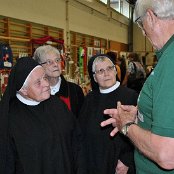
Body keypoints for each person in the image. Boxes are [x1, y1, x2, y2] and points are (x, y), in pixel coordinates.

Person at [101, 0, 174, 173]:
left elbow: (167, 155)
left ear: (150, 16)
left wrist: (126, 125)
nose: (142, 32)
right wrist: (143, 114)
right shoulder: (167, 55)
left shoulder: (171, 60)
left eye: (141, 24)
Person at [0, 57, 86, 174]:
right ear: (23, 90)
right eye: (38, 82)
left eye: (45, 77)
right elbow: (6, 163)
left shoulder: (57, 104)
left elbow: (77, 140)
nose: (46, 84)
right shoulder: (10, 119)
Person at [79, 54, 138, 174]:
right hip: (92, 161)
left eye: (110, 68)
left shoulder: (132, 96)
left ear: (116, 71)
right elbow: (81, 129)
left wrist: (127, 160)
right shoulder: (89, 98)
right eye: (100, 71)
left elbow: (141, 131)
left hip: (118, 165)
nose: (106, 74)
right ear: (94, 78)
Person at [33, 45, 84, 117]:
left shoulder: (75, 90)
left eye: (57, 60)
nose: (55, 64)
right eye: (49, 62)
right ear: (39, 66)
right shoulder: (35, 92)